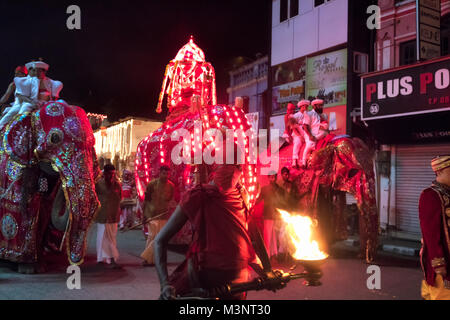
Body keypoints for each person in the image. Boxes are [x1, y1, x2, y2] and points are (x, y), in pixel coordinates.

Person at [154, 163, 256, 300]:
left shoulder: (242, 195)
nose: (231, 172)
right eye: (228, 164)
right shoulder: (197, 196)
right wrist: (165, 285)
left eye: (236, 165)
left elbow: (250, 238)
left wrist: (267, 271)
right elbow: (159, 241)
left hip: (238, 278)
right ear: (215, 169)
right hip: (207, 277)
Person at [419, 155, 450, 300]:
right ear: (440, 171)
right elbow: (431, 233)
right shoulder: (430, 195)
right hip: (444, 263)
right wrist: (439, 264)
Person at [0, 60, 63, 129]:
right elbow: (19, 96)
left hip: (44, 104)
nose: (36, 73)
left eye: (39, 71)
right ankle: (15, 127)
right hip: (25, 103)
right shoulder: (23, 82)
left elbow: (53, 97)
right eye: (35, 71)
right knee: (20, 111)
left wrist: (51, 103)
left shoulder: (51, 82)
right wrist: (33, 102)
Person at [140, 165, 175, 266]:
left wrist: (172, 208)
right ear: (159, 173)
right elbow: (146, 200)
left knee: (161, 238)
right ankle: (148, 259)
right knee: (152, 237)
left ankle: (156, 259)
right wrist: (144, 216)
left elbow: (171, 201)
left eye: (167, 174)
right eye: (164, 173)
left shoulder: (171, 186)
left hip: (163, 216)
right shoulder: (152, 184)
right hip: (152, 215)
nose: (166, 175)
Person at [94, 164, 122, 268]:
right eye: (109, 174)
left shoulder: (117, 185)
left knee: (112, 238)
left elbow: (119, 198)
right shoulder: (98, 184)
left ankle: (111, 259)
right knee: (101, 238)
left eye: (113, 174)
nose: (111, 176)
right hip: (102, 216)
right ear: (104, 174)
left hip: (113, 216)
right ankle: (101, 259)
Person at [258, 171, 286, 261]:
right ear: (268, 178)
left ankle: (274, 255)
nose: (272, 179)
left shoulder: (280, 190)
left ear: (276, 178)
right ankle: (268, 255)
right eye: (270, 177)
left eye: (273, 177)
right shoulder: (264, 189)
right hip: (268, 215)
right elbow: (258, 200)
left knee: (277, 237)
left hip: (277, 216)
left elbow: (283, 203)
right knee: (267, 236)